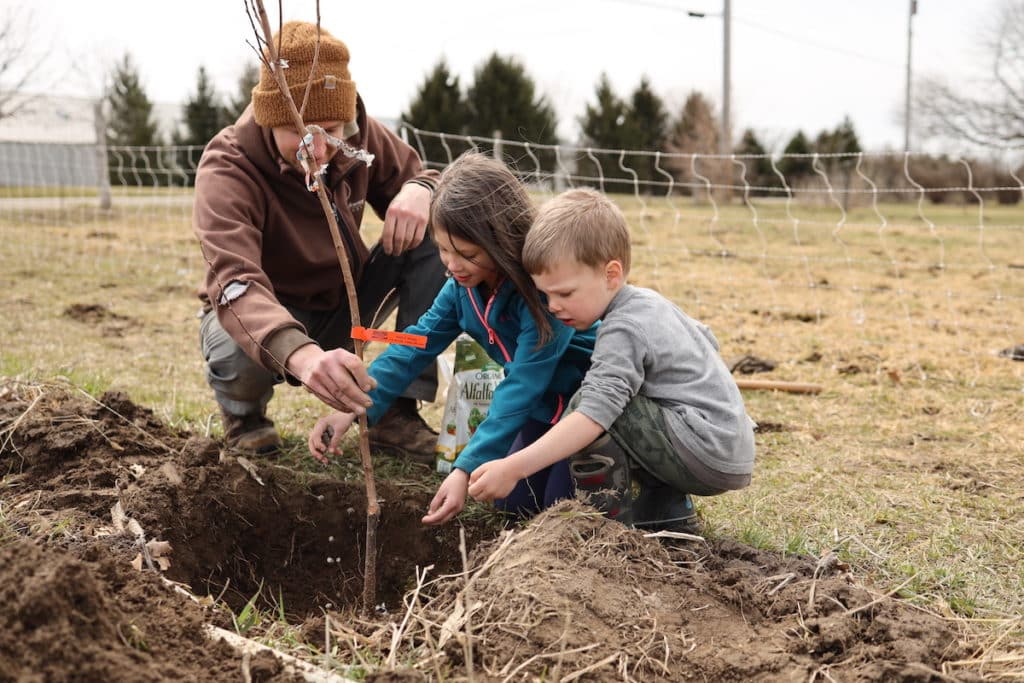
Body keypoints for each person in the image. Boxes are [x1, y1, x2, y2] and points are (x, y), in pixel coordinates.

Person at [193, 21, 446, 458]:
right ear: (271, 118)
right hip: (269, 309)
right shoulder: (229, 167)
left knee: (433, 235)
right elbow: (234, 282)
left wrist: (421, 189)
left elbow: (425, 179)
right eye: (301, 130)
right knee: (233, 339)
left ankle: (393, 409)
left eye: (331, 128)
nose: (319, 146)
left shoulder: (356, 135)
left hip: (349, 308)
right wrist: (304, 357)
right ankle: (245, 415)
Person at [309, 153, 597, 525]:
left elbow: (522, 385)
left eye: (467, 254)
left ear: (502, 242)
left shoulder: (542, 295)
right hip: (540, 411)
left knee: (563, 510)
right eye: (443, 249)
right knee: (514, 507)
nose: (451, 264)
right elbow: (414, 345)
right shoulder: (462, 289)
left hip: (583, 410)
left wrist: (464, 469)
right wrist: (354, 405)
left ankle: (632, 482)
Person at [467, 188, 755, 533]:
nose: (553, 306)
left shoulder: (623, 327)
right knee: (623, 398)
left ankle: (602, 533)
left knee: (588, 404)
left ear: (611, 274)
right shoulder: (649, 303)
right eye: (545, 295)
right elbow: (707, 339)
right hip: (725, 444)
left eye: (564, 293)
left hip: (705, 449)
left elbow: (593, 415)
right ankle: (667, 513)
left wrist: (513, 467)